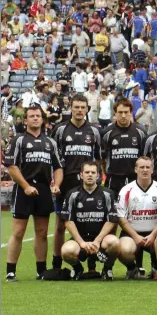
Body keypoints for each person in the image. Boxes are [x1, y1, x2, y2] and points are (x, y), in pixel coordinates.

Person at [4, 105, 63, 282]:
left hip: (43, 190)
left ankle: (41, 270)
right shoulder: (19, 140)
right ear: (26, 120)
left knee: (42, 232)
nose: (35, 118)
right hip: (23, 190)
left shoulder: (50, 142)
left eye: (38, 116)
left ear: (43, 119)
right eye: (32, 116)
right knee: (19, 232)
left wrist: (56, 185)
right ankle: (11, 271)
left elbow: (58, 167)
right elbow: (12, 167)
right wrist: (25, 186)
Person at [51, 95, 102, 272]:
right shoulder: (60, 130)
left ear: (87, 109)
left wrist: (99, 180)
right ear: (70, 108)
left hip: (89, 184)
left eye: (82, 107)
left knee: (91, 223)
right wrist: (56, 183)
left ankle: (92, 264)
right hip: (66, 184)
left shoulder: (94, 131)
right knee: (60, 225)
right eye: (76, 107)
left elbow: (99, 159)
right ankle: (56, 262)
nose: (79, 110)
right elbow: (54, 159)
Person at [60, 161, 120, 280]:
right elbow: (68, 221)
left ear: (98, 175)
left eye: (93, 172)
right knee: (66, 251)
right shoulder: (72, 194)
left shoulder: (107, 194)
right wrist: (81, 242)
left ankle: (107, 269)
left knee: (115, 243)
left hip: (101, 240)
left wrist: (97, 241)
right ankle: (78, 269)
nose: (90, 175)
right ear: (81, 175)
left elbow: (111, 220)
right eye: (87, 172)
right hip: (80, 239)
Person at [116, 157, 157, 280]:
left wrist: (153, 235)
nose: (144, 170)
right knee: (124, 249)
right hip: (132, 233)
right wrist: (135, 236)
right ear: (135, 169)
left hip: (154, 233)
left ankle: (156, 266)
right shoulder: (126, 190)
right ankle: (132, 268)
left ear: (152, 170)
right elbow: (121, 218)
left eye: (147, 167)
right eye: (141, 167)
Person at [100, 99, 147, 194]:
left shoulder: (141, 132)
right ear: (115, 113)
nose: (123, 115)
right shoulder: (106, 133)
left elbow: (145, 157)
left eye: (126, 112)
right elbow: (102, 159)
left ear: (131, 113)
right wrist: (106, 172)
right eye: (120, 112)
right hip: (113, 179)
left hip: (135, 178)